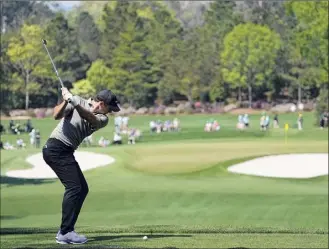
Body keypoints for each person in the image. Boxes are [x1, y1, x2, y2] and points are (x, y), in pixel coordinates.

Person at [42, 87, 120, 244]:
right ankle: (65, 232)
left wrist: (75, 101)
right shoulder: (76, 101)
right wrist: (66, 100)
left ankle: (66, 230)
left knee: (82, 189)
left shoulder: (102, 119)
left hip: (65, 151)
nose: (110, 112)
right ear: (102, 103)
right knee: (75, 188)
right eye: (110, 109)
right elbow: (56, 115)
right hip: (56, 148)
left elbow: (90, 117)